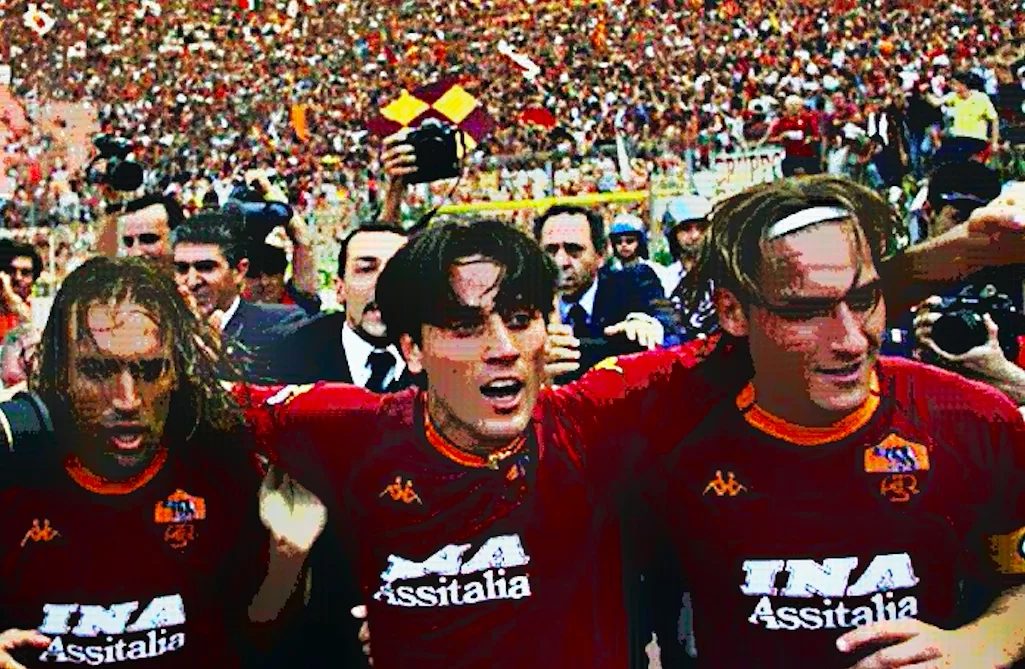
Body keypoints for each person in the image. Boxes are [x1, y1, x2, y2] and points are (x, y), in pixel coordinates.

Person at [629, 176, 1025, 668]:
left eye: (863, 300)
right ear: (732, 311)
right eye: (807, 312)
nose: (852, 341)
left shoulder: (972, 420)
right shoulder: (668, 435)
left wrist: (985, 642)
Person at [0, 257, 318, 668]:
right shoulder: (14, 474)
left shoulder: (221, 466)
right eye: (97, 370)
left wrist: (286, 562)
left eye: (150, 370)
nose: (127, 399)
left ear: (176, 371)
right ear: (58, 370)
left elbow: (260, 636)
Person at [255, 224, 414, 388]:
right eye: (366, 269)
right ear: (339, 288)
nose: (384, 285)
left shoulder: (429, 363)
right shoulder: (287, 356)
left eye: (398, 271)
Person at [533, 204, 677, 382]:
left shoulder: (633, 284)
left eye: (573, 249)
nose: (561, 261)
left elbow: (671, 325)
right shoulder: (525, 303)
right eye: (550, 251)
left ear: (600, 255)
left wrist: (650, 326)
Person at [171, 210, 307, 376]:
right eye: (182, 269)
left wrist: (220, 364)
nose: (192, 282)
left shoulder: (281, 326)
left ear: (239, 271)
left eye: (206, 267)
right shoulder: (161, 331)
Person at [0, 239, 41, 341]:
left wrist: (13, 300)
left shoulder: (39, 311)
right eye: (11, 270)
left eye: (25, 273)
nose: (18, 277)